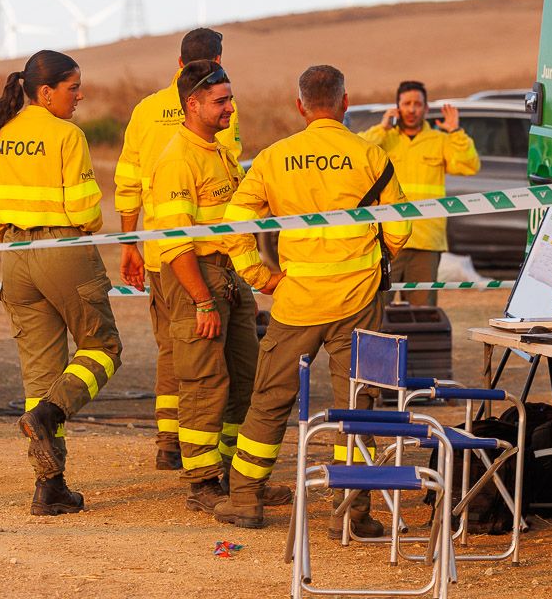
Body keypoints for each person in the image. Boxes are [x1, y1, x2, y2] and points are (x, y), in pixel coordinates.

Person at [212, 64, 411, 533]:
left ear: (299, 106)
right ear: (345, 103)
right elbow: (401, 229)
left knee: (269, 399)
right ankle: (352, 515)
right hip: (358, 302)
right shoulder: (371, 155)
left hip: (296, 300)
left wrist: (259, 274)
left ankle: (244, 499)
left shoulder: (274, 157)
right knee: (357, 406)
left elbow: (233, 221)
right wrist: (372, 256)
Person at [0, 50, 122, 516]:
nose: (79, 96)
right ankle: (51, 413)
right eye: (73, 88)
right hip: (64, 250)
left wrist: (19, 232)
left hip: (14, 256)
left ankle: (49, 486)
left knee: (40, 377)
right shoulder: (67, 135)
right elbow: (86, 213)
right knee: (104, 348)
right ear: (45, 92)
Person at [150, 60, 286, 513]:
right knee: (204, 382)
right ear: (193, 104)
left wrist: (257, 277)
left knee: (244, 381)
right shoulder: (177, 160)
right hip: (198, 281)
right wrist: (202, 301)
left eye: (230, 98)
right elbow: (174, 244)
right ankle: (204, 482)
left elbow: (233, 225)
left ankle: (237, 477)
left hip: (229, 276)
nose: (231, 107)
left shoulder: (219, 153)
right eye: (221, 101)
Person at [114, 28, 241, 470]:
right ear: (218, 59)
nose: (226, 108)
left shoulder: (146, 109)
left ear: (178, 59)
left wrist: (129, 241)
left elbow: (128, 180)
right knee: (204, 359)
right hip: (192, 256)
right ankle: (202, 466)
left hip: (156, 248)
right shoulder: (219, 110)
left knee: (172, 349)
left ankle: (170, 441)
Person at [360, 80, 479, 306]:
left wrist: (455, 131)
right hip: (388, 240)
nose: (412, 109)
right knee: (377, 307)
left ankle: (420, 343)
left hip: (426, 241)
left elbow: (469, 164)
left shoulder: (439, 140)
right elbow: (358, 154)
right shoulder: (384, 140)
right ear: (397, 107)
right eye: (406, 103)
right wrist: (382, 127)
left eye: (417, 104)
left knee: (423, 309)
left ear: (425, 108)